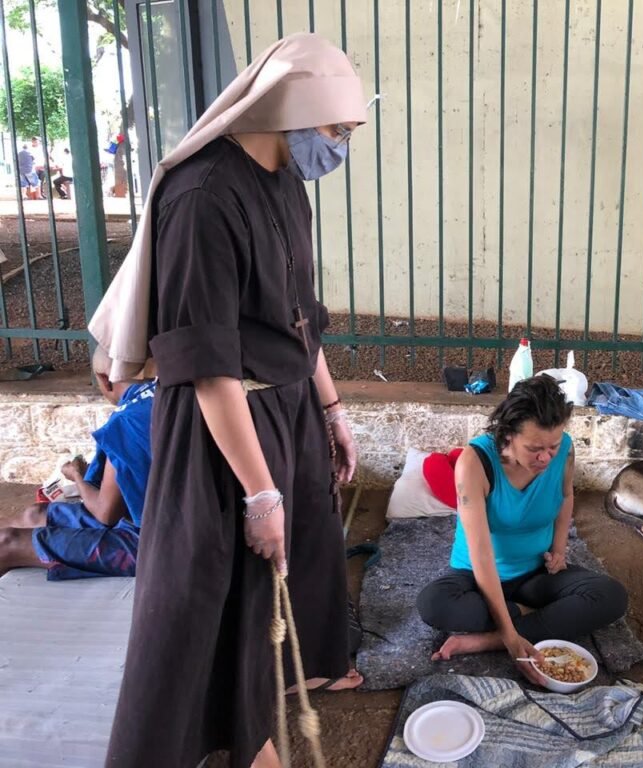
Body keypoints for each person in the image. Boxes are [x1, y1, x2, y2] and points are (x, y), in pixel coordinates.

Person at [88, 34, 365, 768]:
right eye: (338, 130)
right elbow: (209, 368)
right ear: (295, 113)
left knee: (277, 590)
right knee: (211, 600)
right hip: (224, 435)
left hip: (286, 413)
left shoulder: (282, 180)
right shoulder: (202, 196)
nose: (340, 146)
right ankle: (230, 747)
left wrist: (332, 412)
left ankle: (256, 734)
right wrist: (260, 492)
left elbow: (299, 321)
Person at [417, 374, 628, 683]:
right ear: (508, 435)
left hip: (535, 573)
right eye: (534, 448)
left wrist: (558, 548)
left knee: (611, 596)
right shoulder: (475, 462)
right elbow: (481, 553)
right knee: (434, 605)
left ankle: (485, 640)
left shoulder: (564, 451)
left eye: (552, 446)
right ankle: (528, 619)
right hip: (476, 575)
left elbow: (566, 496)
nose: (545, 457)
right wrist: (510, 630)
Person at [0, 346, 154, 580]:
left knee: (6, 543)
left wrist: (77, 477)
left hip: (153, 547)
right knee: (35, 514)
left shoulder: (125, 421)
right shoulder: (170, 397)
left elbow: (106, 514)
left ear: (105, 380)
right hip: (153, 521)